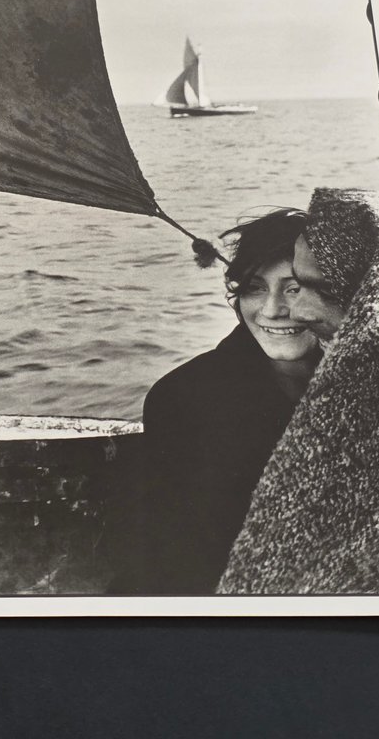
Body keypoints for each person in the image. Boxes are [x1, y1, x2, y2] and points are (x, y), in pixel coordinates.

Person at [217, 188, 379, 595]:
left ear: (376, 295)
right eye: (254, 287)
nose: (294, 311)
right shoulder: (196, 396)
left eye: (316, 290)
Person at [135, 208, 321, 595]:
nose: (272, 310)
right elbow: (169, 554)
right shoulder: (183, 399)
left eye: (294, 288)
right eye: (255, 287)